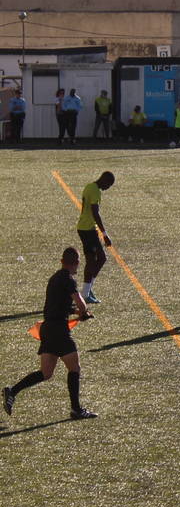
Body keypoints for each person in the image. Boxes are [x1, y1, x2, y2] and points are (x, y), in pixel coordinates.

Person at [3, 247, 97, 420]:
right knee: (74, 368)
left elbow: (59, 305)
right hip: (59, 331)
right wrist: (83, 312)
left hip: (47, 329)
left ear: (62, 261)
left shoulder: (54, 278)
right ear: (76, 263)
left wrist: (77, 313)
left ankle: (12, 391)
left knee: (46, 373)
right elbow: (81, 304)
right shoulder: (69, 280)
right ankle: (76, 409)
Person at [77, 170, 115, 304]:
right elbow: (95, 213)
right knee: (99, 259)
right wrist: (104, 234)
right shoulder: (96, 191)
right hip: (88, 229)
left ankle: (87, 290)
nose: (107, 188)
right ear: (104, 180)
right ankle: (85, 293)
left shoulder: (89, 186)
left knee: (93, 260)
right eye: (108, 185)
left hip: (84, 228)